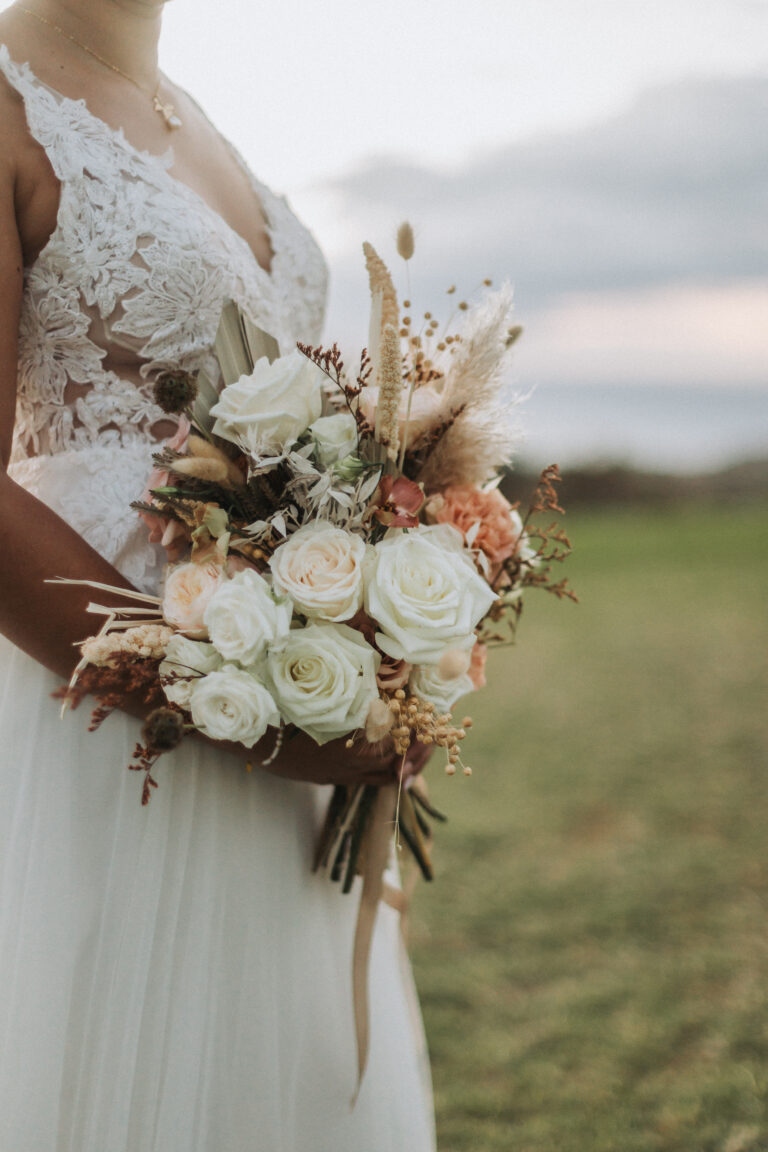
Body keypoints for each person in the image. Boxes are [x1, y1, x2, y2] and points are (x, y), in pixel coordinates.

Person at [0, 1, 436, 1147]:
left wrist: (383, 636)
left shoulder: (196, 119)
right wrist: (221, 701)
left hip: (288, 699)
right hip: (100, 711)